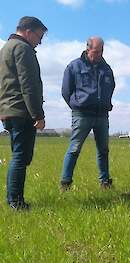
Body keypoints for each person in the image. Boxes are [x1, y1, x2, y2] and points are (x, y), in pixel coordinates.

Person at [0, 16, 47, 210]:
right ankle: (16, 202)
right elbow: (29, 85)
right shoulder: (23, 48)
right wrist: (38, 115)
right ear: (28, 31)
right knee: (21, 156)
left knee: (19, 155)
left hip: (8, 110)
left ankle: (13, 199)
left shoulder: (6, 48)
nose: (40, 41)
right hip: (21, 111)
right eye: (39, 36)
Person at [60, 37, 115, 190]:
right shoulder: (74, 66)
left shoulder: (107, 68)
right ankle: (65, 183)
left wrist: (106, 103)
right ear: (87, 49)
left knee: (103, 150)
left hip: (102, 115)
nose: (98, 55)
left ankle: (105, 182)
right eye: (96, 52)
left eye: (101, 51)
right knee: (74, 149)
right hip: (82, 115)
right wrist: (77, 105)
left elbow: (111, 87)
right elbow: (66, 91)